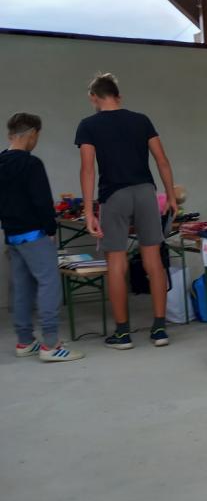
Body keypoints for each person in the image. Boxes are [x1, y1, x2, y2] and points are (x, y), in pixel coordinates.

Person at [76, 73, 177, 350]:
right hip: (145, 192)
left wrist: (89, 211)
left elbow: (87, 169)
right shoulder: (141, 120)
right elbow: (162, 160)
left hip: (114, 195)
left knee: (116, 264)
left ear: (94, 97)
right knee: (153, 261)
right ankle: (159, 329)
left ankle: (122, 334)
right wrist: (170, 196)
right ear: (118, 96)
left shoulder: (88, 125)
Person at [0, 113, 83, 362]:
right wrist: (50, 230)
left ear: (10, 134)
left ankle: (25, 341)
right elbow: (42, 201)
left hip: (12, 235)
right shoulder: (31, 164)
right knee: (49, 284)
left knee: (22, 287)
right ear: (32, 134)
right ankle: (51, 344)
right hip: (34, 234)